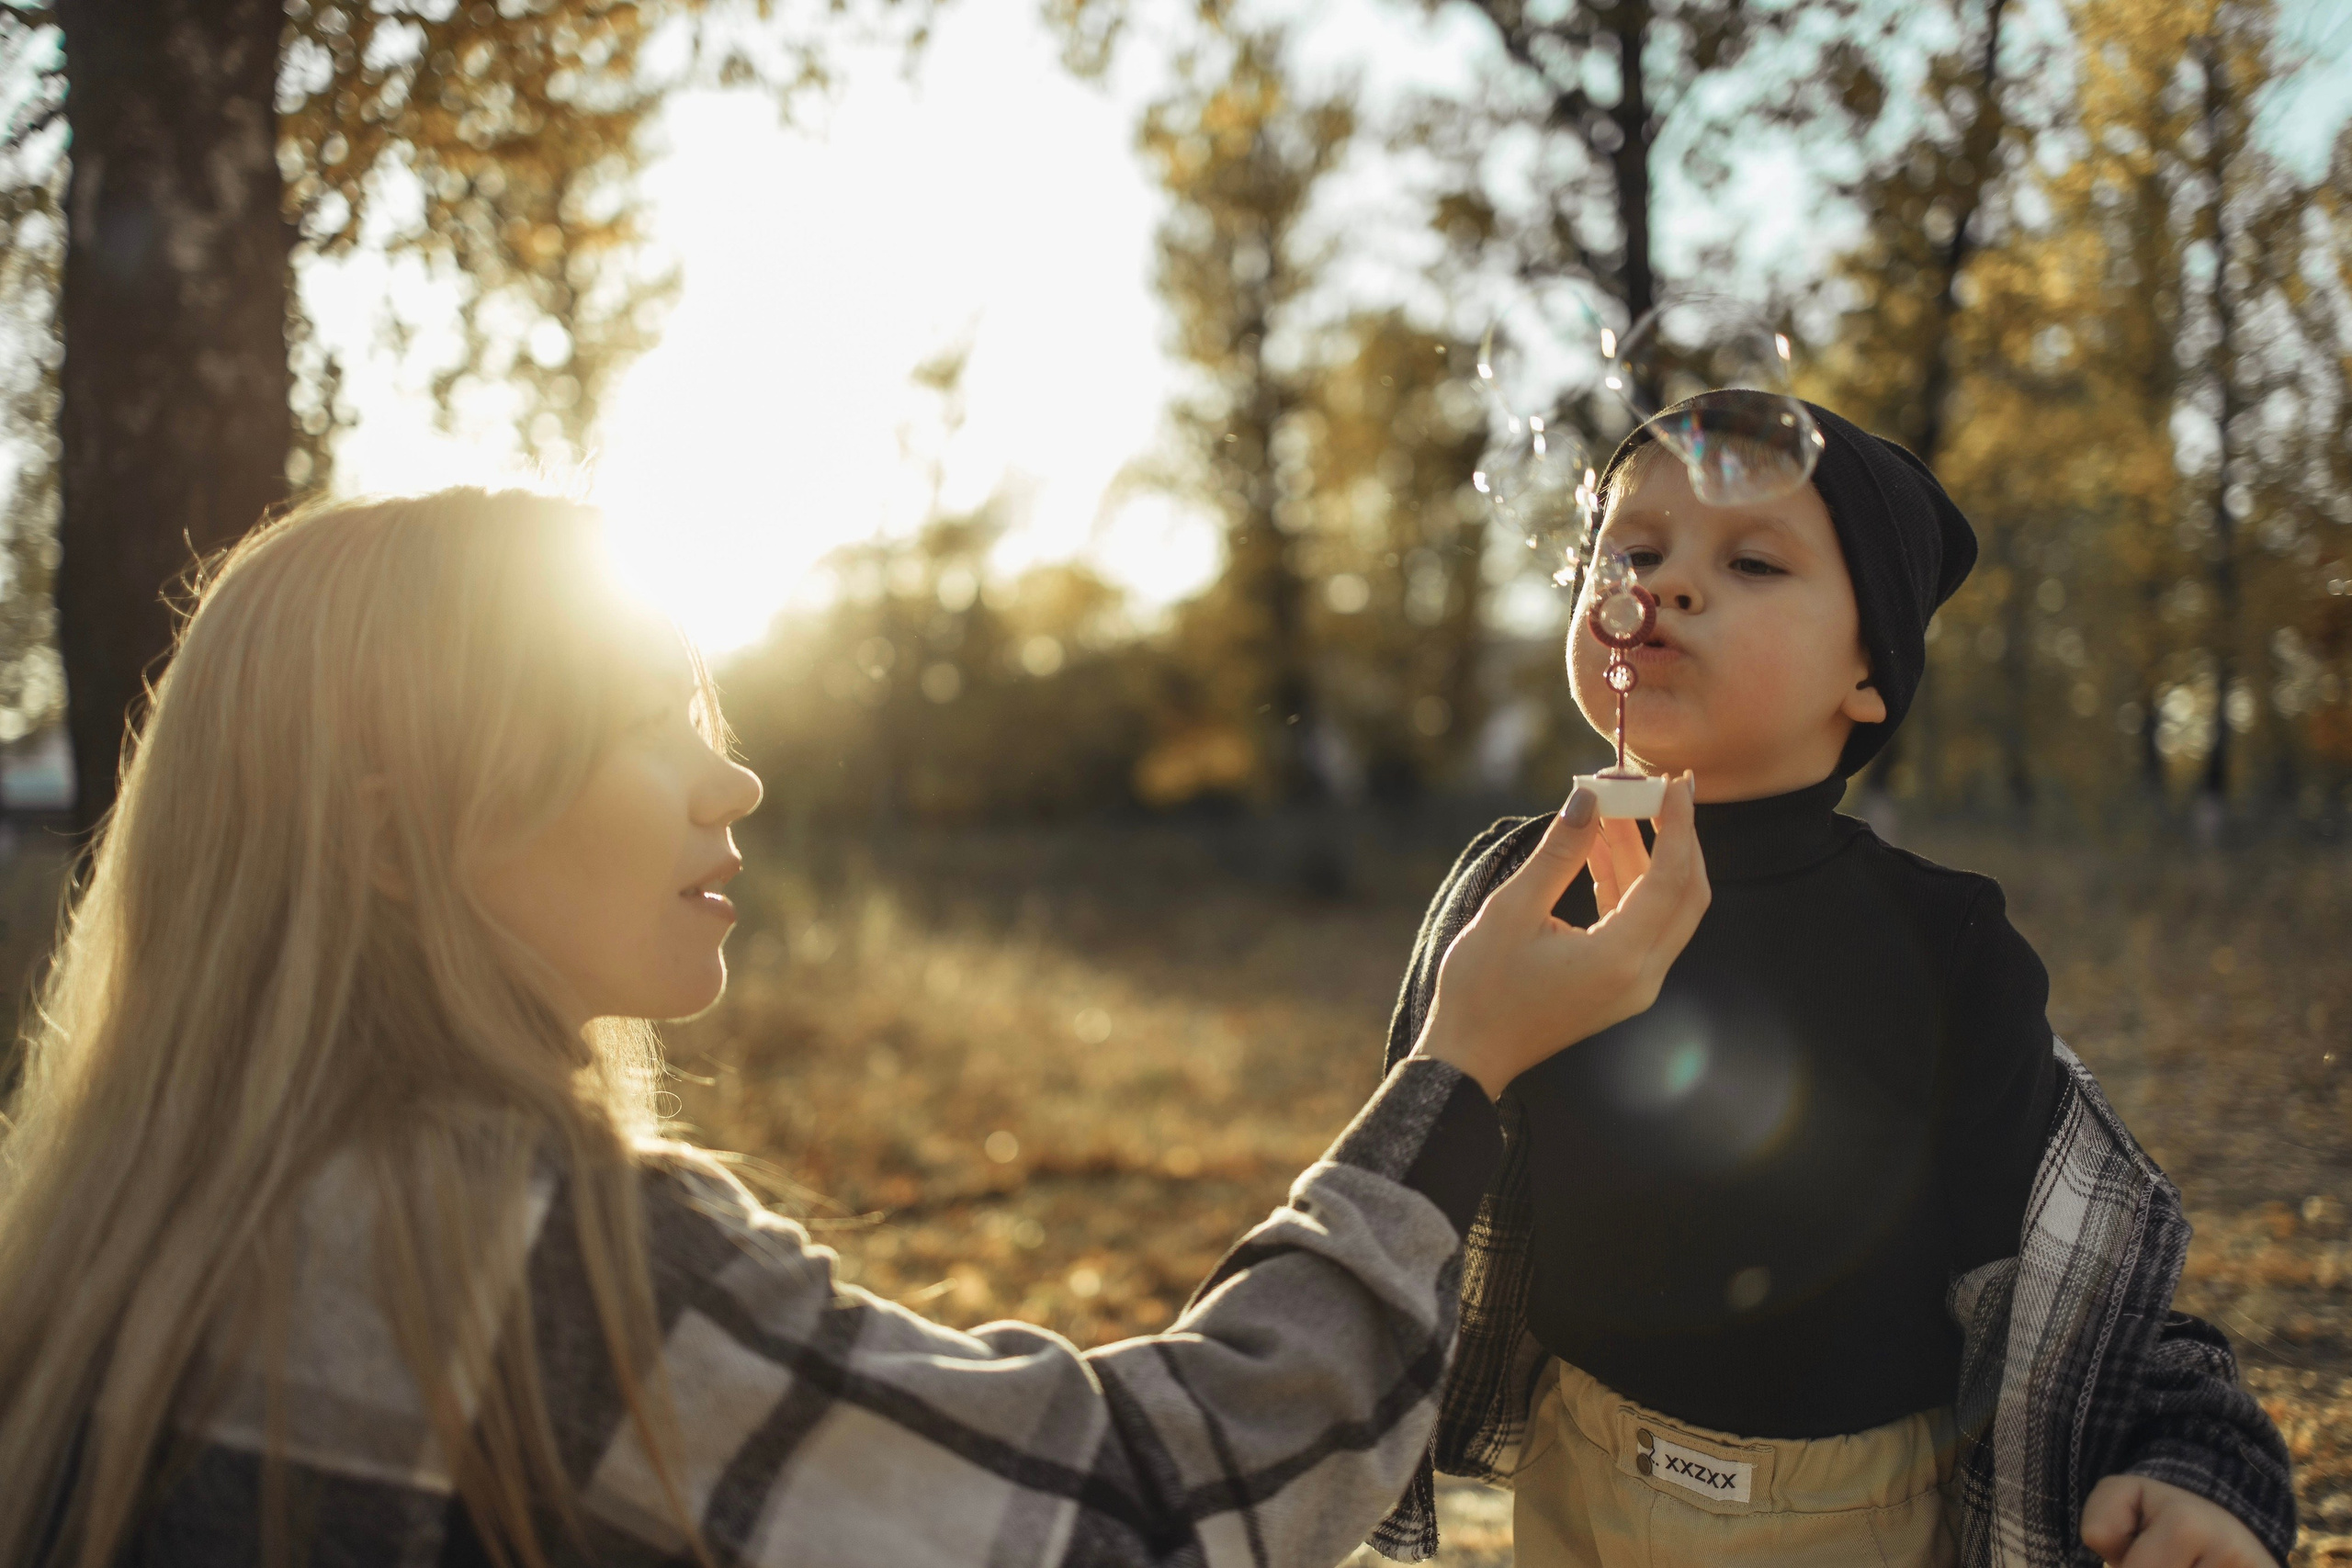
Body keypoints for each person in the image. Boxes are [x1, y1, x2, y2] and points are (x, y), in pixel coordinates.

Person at [0, 488, 1711, 1568]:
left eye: (706, 714)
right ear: (385, 836)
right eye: (630, 723)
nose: (734, 776)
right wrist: (1461, 1069)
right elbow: (1146, 1510)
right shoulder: (534, 1259)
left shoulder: (121, 1236)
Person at [1369, 399, 2297, 1568]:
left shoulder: (1938, 941)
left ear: (1870, 676)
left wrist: (2200, 1459)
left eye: (1750, 560)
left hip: (1844, 1510)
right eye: (1633, 551)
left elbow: (2072, 1256)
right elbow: (1406, 1162)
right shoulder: (1518, 887)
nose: (1664, 586)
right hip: (1574, 1459)